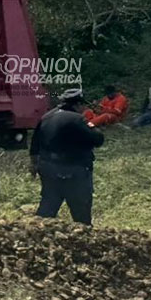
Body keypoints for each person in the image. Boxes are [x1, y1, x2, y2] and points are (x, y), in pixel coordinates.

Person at [29, 88, 105, 225]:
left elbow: (34, 145)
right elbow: (98, 139)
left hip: (49, 169)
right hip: (74, 170)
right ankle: (84, 238)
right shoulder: (77, 119)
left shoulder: (46, 117)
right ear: (77, 105)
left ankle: (35, 235)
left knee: (47, 208)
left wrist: (34, 165)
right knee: (81, 212)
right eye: (83, 105)